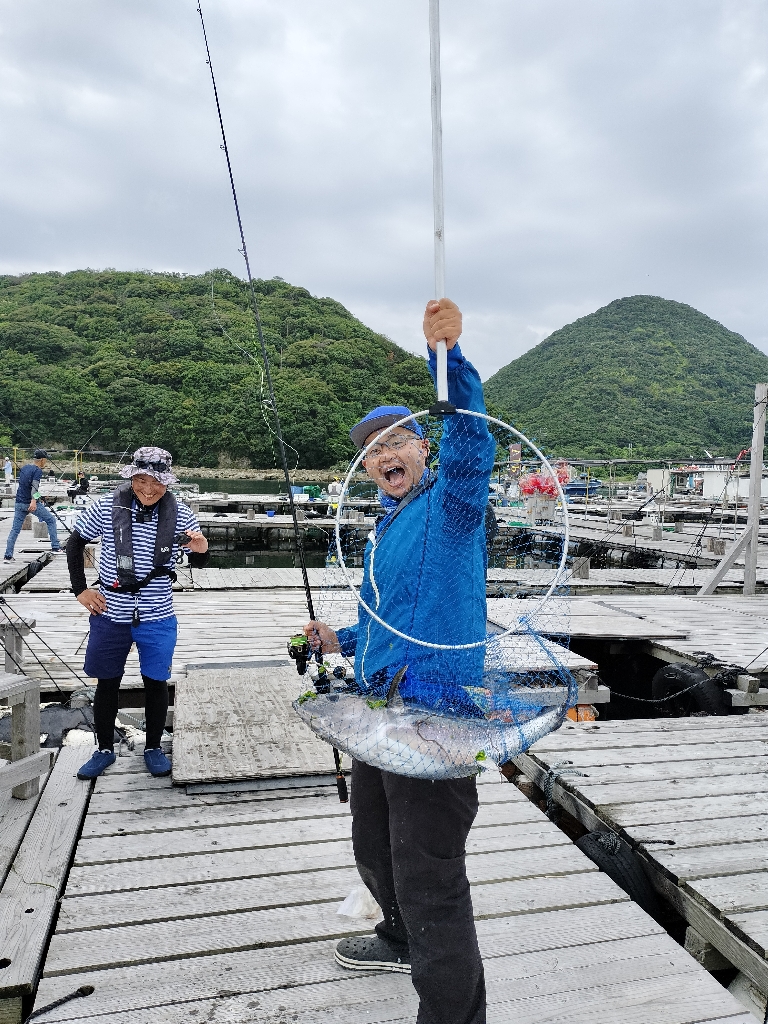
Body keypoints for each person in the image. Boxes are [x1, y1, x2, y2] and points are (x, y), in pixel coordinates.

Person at [303, 298, 493, 1024]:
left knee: (431, 876)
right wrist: (339, 641)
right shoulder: (387, 527)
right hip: (379, 708)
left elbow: (475, 445)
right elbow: (383, 619)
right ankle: (398, 935)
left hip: (439, 715)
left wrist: (449, 361)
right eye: (373, 445)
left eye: (398, 439)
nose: (385, 451)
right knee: (374, 843)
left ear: (423, 448)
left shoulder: (452, 502)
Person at [65, 447, 209, 780]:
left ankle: (153, 747)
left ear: (167, 484)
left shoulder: (183, 515)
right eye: (141, 480)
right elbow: (75, 544)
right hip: (110, 613)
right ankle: (103, 749)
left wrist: (201, 550)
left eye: (156, 482)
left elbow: (199, 560)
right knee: (107, 683)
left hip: (157, 614)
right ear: (131, 477)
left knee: (156, 682)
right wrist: (81, 590)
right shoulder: (104, 507)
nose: (148, 488)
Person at [4, 449, 63, 562]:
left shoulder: (25, 468)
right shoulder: (37, 471)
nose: (46, 461)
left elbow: (25, 485)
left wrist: (38, 497)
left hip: (19, 502)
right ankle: (55, 547)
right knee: (51, 520)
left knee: (15, 530)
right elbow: (34, 487)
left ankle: (8, 556)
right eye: (46, 459)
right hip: (29, 502)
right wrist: (34, 501)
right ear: (42, 460)